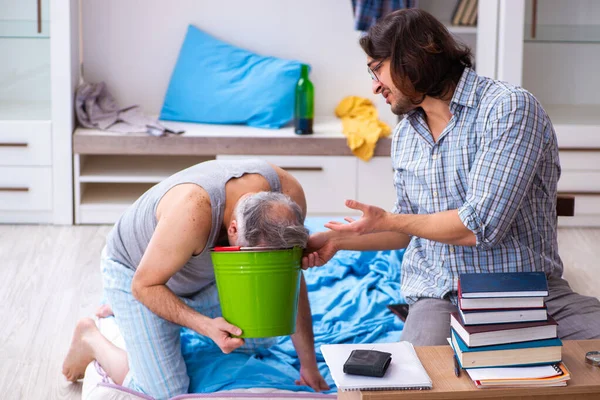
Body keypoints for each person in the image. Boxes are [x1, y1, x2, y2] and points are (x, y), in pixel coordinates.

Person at [303, 8, 600, 345]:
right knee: (416, 386)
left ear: (412, 58)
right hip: (441, 297)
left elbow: (480, 226)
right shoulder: (405, 136)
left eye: (377, 70)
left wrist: (392, 220)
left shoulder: (509, 108)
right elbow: (405, 233)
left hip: (529, 292)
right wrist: (335, 242)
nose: (374, 87)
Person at [62, 159, 329, 399]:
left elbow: (289, 281)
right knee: (164, 393)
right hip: (139, 275)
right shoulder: (193, 211)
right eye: (253, 258)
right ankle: (92, 336)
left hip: (201, 276)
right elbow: (144, 285)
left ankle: (140, 315)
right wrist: (205, 326)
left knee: (266, 333)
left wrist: (309, 366)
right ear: (233, 230)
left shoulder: (288, 196)